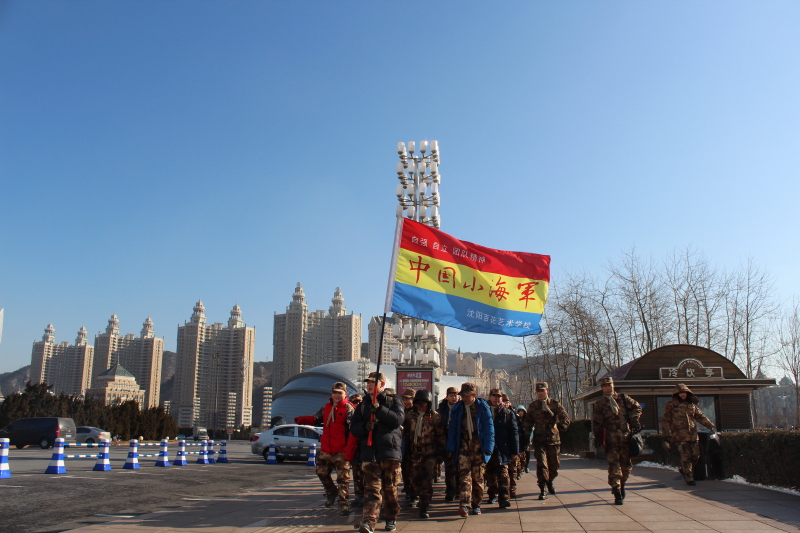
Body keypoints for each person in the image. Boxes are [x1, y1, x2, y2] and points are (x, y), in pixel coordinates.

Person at [350, 372, 405, 533]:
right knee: (371, 490)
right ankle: (369, 521)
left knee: (390, 490)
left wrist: (380, 410)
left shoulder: (393, 400)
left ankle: (391, 518)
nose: (369, 385)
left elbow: (397, 420)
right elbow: (354, 427)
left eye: (373, 383)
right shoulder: (363, 405)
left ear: (382, 384)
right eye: (367, 383)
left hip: (389, 453)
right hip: (370, 452)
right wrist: (365, 426)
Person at [446, 382, 494, 517]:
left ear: (474, 395)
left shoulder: (483, 408)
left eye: (467, 395)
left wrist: (488, 449)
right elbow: (453, 430)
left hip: (478, 446)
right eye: (463, 395)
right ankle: (464, 504)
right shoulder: (457, 409)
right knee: (464, 476)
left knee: (478, 478)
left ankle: (476, 504)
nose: (464, 398)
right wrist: (451, 448)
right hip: (463, 445)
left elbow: (489, 429)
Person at [592, 376, 642, 505]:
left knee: (626, 467)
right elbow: (596, 423)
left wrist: (635, 419)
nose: (608, 387)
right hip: (610, 437)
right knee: (614, 466)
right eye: (605, 386)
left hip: (625, 436)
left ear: (613, 385)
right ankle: (616, 490)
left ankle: (622, 484)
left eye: (610, 385)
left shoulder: (623, 398)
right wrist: (598, 439)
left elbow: (637, 407)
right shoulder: (599, 404)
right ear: (602, 388)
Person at [311, 382, 357, 515]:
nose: (337, 395)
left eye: (340, 393)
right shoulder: (326, 407)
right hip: (326, 448)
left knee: (343, 479)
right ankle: (331, 492)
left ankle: (343, 504)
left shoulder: (349, 408)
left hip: (341, 450)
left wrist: (350, 448)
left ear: (345, 394)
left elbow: (353, 429)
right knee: (321, 472)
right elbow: (316, 418)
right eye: (335, 392)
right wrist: (306, 419)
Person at [660, 383, 715, 486]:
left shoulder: (691, 405)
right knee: (686, 457)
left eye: (684, 393)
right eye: (680, 393)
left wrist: (710, 426)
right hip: (679, 435)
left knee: (695, 456)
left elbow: (700, 416)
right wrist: (666, 435)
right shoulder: (671, 405)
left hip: (693, 434)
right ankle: (689, 477)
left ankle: (684, 470)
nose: (683, 395)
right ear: (676, 394)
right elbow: (666, 420)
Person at [523, 382, 570, 500]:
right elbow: (528, 421)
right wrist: (526, 433)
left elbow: (564, 417)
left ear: (547, 391)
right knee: (542, 464)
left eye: (542, 391)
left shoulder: (555, 404)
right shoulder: (533, 406)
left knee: (554, 465)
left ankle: (550, 480)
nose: (540, 393)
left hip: (553, 439)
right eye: (538, 391)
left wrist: (564, 425)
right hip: (539, 439)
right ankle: (543, 487)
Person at [405, 389, 446, 518]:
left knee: (427, 480)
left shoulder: (434, 416)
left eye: (423, 404)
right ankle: (418, 496)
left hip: (429, 453)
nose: (421, 407)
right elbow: (406, 435)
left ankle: (424, 505)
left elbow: (440, 436)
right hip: (414, 453)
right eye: (418, 404)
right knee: (414, 479)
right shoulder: (410, 416)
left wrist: (440, 454)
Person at [485, 389, 519, 509]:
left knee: (503, 475)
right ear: (489, 397)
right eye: (494, 396)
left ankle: (504, 498)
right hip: (488, 449)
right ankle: (492, 495)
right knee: (490, 474)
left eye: (498, 397)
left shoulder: (508, 413)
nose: (496, 399)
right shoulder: (484, 411)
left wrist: (515, 451)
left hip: (502, 449)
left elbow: (514, 433)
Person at [437, 386, 460, 501]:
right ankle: (451, 490)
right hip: (446, 440)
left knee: (460, 468)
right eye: (451, 396)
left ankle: (459, 490)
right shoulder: (442, 409)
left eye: (455, 395)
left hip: (459, 441)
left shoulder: (462, 407)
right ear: (447, 397)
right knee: (449, 468)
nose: (454, 398)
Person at [399, 388, 417, 507]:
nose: (406, 401)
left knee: (414, 471)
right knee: (405, 470)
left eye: (408, 399)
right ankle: (408, 489)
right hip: (402, 445)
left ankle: (414, 494)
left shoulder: (416, 412)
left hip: (414, 445)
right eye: (404, 399)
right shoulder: (400, 411)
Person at [349, 393, 365, 507]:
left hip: (364, 447)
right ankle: (358, 495)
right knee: (356, 473)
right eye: (355, 402)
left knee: (366, 473)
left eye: (359, 402)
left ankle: (365, 495)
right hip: (354, 448)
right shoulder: (350, 415)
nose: (357, 404)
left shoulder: (364, 413)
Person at [516, 406, 531, 474]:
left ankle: (526, 465)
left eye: (522, 411)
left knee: (527, 452)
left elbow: (531, 428)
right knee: (520, 453)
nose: (521, 413)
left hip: (527, 439)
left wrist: (531, 437)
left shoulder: (527, 420)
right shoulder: (516, 419)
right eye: (519, 411)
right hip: (519, 439)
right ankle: (520, 467)